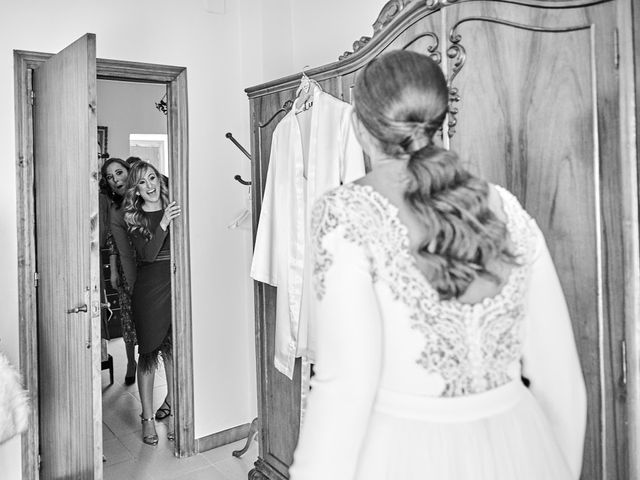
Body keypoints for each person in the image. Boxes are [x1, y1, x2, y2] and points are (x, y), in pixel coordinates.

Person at [289, 50, 587, 480]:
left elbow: (343, 392)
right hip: (519, 449)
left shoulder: (346, 212)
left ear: (357, 125)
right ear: (439, 122)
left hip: (403, 455)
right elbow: (563, 387)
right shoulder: (508, 209)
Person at [123, 160, 180, 445]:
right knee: (148, 356)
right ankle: (146, 418)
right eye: (143, 182)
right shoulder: (134, 218)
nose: (151, 186)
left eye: (153, 178)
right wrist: (165, 222)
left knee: (172, 351)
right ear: (136, 189)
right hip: (148, 292)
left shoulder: (174, 204)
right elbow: (147, 254)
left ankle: (173, 403)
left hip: (176, 286)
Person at [100, 157, 138, 385]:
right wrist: (113, 271)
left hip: (148, 268)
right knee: (127, 320)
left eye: (119, 173)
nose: (116, 180)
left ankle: (148, 361)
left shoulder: (144, 197)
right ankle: (131, 362)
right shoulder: (114, 207)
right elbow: (113, 240)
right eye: (110, 177)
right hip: (125, 272)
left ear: (129, 172)